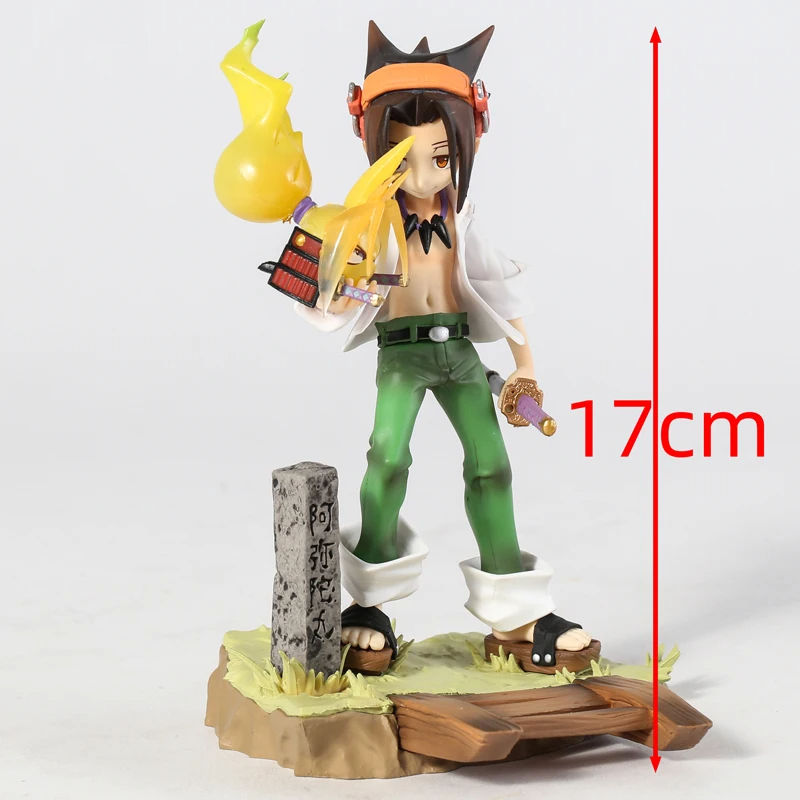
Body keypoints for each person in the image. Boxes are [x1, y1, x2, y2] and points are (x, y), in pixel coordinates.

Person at [296, 22, 597, 674]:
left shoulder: (462, 220)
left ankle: (516, 615)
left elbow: (502, 292)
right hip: (402, 355)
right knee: (386, 460)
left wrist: (524, 368)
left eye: (440, 157)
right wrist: (335, 286)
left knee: (492, 467)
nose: (424, 174)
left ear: (466, 143)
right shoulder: (367, 223)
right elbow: (331, 295)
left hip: (460, 355)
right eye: (402, 159)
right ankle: (368, 605)